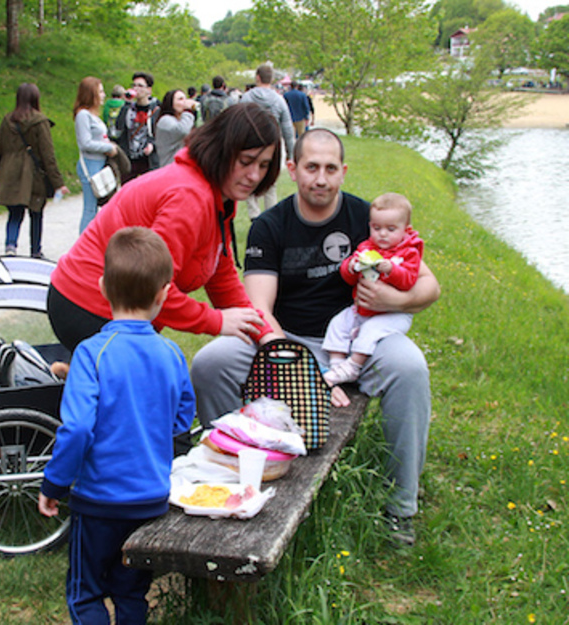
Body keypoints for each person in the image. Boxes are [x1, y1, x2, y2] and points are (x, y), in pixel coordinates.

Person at [191, 129, 440, 546]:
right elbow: (260, 311)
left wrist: (393, 299)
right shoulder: (269, 226)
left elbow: (430, 288)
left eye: (329, 169)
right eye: (311, 168)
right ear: (292, 170)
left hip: (363, 338)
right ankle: (237, 479)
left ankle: (401, 508)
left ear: (342, 172)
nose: (320, 179)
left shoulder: (368, 218)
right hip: (286, 340)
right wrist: (312, 373)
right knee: (211, 362)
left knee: (410, 368)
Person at [38, 227, 196, 624]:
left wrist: (54, 484)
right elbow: (181, 420)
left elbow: (76, 429)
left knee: (85, 593)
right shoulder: (171, 354)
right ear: (164, 293)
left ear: (103, 287)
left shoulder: (92, 354)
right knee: (131, 593)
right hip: (150, 500)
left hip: (98, 503)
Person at [49, 103, 283, 353]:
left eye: (264, 165)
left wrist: (265, 335)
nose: (254, 175)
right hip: (89, 306)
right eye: (246, 161)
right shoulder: (191, 197)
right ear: (222, 150)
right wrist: (216, 321)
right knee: (160, 380)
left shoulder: (216, 196)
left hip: (112, 308)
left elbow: (219, 273)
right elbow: (150, 286)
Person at [323, 193, 424, 386]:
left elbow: (409, 281)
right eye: (377, 228)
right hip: (362, 309)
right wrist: (351, 266)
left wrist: (392, 270)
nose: (382, 234)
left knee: (370, 331)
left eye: (391, 229)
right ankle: (336, 363)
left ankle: (353, 366)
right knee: (338, 323)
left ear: (406, 229)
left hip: (392, 314)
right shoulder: (366, 247)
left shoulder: (408, 253)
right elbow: (348, 277)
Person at [0, 83, 69, 258]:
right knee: (36, 212)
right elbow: (47, 154)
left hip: (10, 170)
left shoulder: (7, 120)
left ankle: (10, 246)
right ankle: (35, 250)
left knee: (14, 212)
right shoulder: (39, 121)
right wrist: (58, 182)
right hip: (32, 173)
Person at [240, 64, 295, 218]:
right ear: (271, 79)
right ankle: (271, 214)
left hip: (250, 143)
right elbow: (287, 129)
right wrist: (291, 152)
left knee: (249, 176)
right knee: (271, 182)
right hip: (272, 144)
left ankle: (254, 214)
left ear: (257, 77)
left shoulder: (247, 97)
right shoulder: (279, 100)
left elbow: (238, 122)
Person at [73, 76, 118, 233]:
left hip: (99, 163)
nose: (103, 95)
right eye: (100, 91)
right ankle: (83, 246)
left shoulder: (94, 116)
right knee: (90, 209)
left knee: (103, 206)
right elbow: (85, 143)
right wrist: (106, 147)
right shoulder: (83, 115)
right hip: (90, 164)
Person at [112, 71, 159, 181]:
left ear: (149, 90)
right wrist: (127, 103)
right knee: (128, 191)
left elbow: (161, 135)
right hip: (129, 158)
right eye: (134, 85)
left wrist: (152, 145)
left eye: (140, 86)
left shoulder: (156, 110)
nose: (136, 89)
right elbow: (118, 128)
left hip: (147, 160)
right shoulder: (128, 109)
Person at [154, 88, 195, 167]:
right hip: (169, 167)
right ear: (170, 103)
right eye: (180, 99)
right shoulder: (165, 120)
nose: (184, 102)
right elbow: (182, 131)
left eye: (185, 99)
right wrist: (187, 111)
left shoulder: (183, 120)